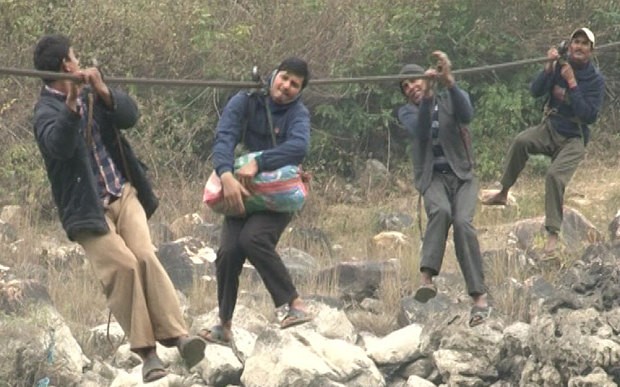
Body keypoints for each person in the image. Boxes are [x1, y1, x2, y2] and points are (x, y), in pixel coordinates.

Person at [32, 34, 205, 383]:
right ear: (66, 65)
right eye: (75, 58)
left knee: (143, 255)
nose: (79, 62)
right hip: (87, 211)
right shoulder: (45, 111)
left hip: (122, 194)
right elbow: (59, 148)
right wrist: (70, 107)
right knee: (123, 268)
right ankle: (148, 353)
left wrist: (105, 90)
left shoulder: (95, 91)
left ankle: (178, 336)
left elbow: (129, 116)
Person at [200, 57, 312, 345]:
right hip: (243, 191)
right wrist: (225, 174)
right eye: (284, 78)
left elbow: (299, 146)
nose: (286, 86)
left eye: (294, 85)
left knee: (253, 239)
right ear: (274, 75)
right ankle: (224, 325)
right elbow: (224, 137)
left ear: (299, 91)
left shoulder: (298, 113)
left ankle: (294, 305)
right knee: (228, 253)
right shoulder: (245, 100)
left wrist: (259, 162)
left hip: (278, 195)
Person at [481, 28, 605, 255]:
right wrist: (548, 68)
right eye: (575, 42)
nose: (578, 47)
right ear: (569, 46)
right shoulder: (559, 67)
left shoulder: (595, 80)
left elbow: (589, 116)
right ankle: (503, 192)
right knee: (521, 141)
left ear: (591, 50)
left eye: (584, 44)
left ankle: (553, 234)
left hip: (574, 137)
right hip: (550, 127)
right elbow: (535, 91)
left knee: (554, 176)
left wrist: (573, 83)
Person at [397, 51, 490, 327]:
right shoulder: (407, 111)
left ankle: (479, 299)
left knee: (463, 223)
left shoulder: (450, 99)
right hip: (433, 178)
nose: (411, 87)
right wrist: (425, 98)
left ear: (426, 79)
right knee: (440, 211)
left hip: (462, 176)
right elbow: (422, 131)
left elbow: (467, 114)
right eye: (405, 86)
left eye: (414, 81)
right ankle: (427, 278)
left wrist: (449, 81)